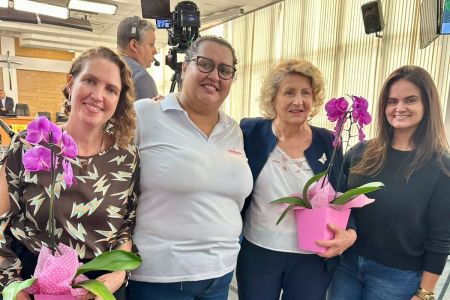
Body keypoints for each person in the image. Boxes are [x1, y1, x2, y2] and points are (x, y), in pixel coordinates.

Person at [0, 46, 139, 300]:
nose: (98, 95)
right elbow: (1, 223)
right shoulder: (28, 145)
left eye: (111, 89)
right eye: (90, 81)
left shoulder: (126, 157)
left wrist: (118, 276)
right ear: (70, 83)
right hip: (32, 281)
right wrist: (14, 287)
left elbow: (127, 224)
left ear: (119, 100)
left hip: (100, 285)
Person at [127, 35, 253, 300]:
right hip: (161, 279)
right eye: (205, 64)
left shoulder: (234, 130)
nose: (215, 76)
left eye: (225, 70)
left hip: (220, 277)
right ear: (185, 68)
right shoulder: (146, 114)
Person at [236, 59, 357, 300]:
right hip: (259, 252)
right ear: (273, 98)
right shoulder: (250, 132)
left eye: (306, 93)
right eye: (289, 92)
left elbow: (340, 195)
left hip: (311, 257)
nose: (298, 101)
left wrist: (351, 231)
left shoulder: (328, 140)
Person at [328, 66, 450, 300]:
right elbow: (338, 201)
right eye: (392, 101)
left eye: (410, 100)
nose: (399, 108)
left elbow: (440, 237)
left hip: (397, 277)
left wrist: (425, 293)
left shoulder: (441, 167)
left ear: (428, 104)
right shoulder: (360, 153)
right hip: (346, 267)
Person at [117, 16, 159, 101]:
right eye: (151, 44)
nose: (155, 51)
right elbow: (148, 114)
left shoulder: (107, 68)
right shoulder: (141, 78)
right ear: (134, 45)